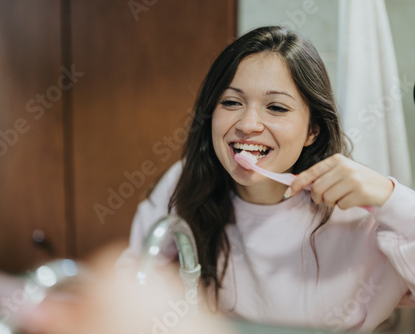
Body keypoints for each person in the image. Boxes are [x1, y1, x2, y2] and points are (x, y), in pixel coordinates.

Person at [117, 25, 415, 332]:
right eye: (231, 102)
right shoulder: (187, 180)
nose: (247, 124)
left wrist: (391, 197)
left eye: (276, 107)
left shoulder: (359, 209)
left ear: (313, 130)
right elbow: (135, 279)